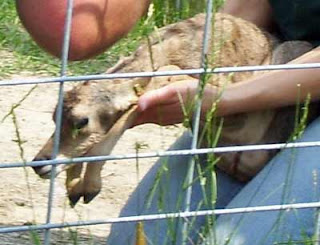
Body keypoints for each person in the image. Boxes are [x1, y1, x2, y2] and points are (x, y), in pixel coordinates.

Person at [17, 0, 320, 244]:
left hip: (287, 94)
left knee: (230, 240)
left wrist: (223, 99)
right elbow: (242, 17)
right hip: (266, 87)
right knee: (135, 239)